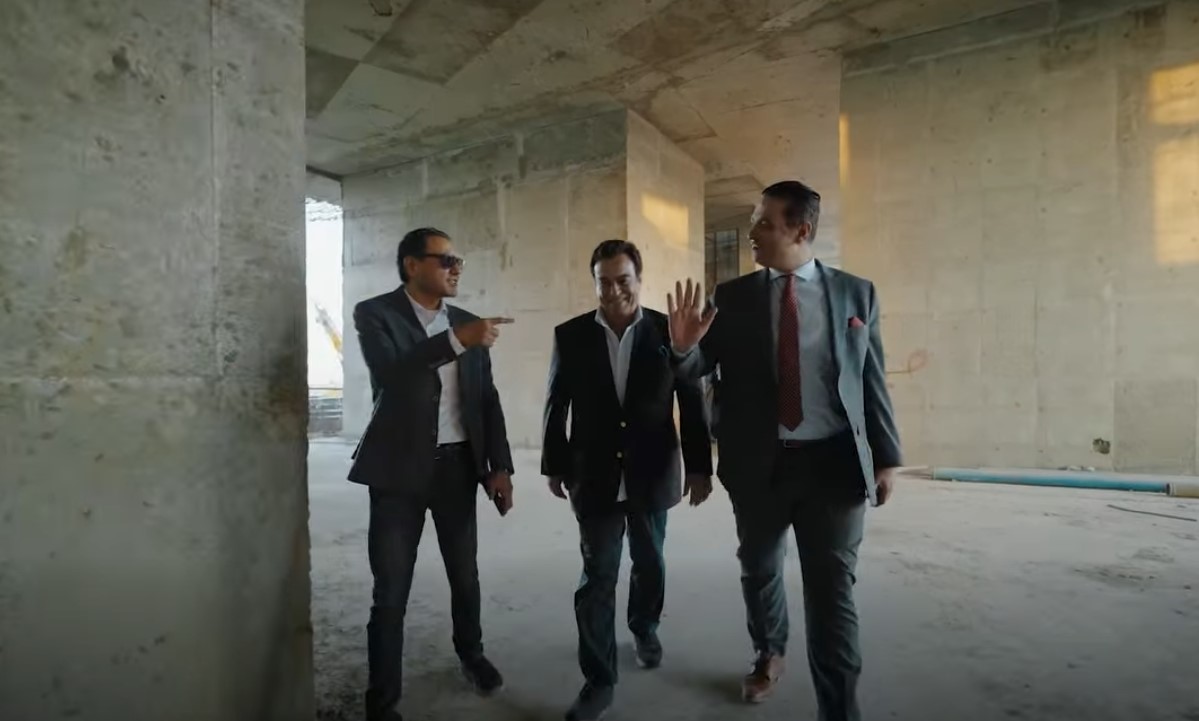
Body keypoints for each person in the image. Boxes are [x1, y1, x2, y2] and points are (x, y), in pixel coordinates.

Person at [666, 181, 902, 721]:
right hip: (758, 465)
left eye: (765, 223)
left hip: (834, 467)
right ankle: (769, 652)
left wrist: (886, 457)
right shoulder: (732, 297)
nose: (753, 231)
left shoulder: (856, 294)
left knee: (832, 592)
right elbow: (698, 368)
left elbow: (871, 378)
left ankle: (839, 708)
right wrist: (682, 348)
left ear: (802, 231)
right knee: (760, 568)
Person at [348, 227, 517, 721]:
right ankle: (382, 701)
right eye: (446, 260)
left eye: (458, 260)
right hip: (397, 473)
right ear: (412, 265)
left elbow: (485, 399)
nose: (456, 267)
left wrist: (499, 466)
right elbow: (393, 376)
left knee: (465, 575)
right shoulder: (374, 314)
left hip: (458, 468)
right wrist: (455, 341)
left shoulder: (467, 321)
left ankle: (472, 654)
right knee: (390, 591)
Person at [542, 239, 714, 721]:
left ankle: (644, 627)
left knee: (649, 561)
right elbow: (556, 403)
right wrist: (554, 464)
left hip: (652, 471)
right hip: (593, 474)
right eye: (604, 282)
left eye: (623, 280)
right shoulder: (571, 335)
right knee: (597, 576)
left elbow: (691, 401)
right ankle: (599, 680)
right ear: (594, 282)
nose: (614, 290)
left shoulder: (667, 330)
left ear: (639, 279)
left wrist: (700, 467)